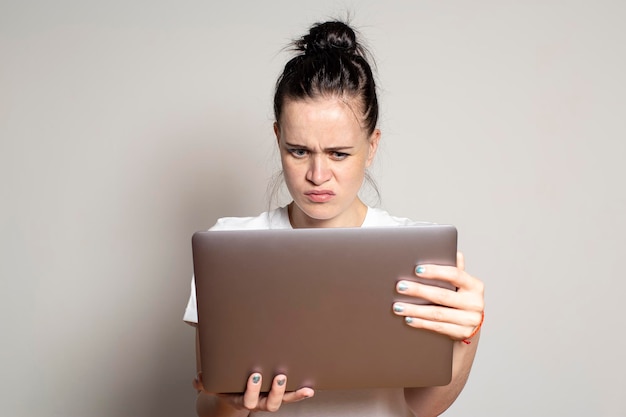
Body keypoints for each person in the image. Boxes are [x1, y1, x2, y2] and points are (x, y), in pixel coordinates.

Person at [184, 20, 485, 417]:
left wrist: (469, 334)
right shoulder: (228, 248)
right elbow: (208, 407)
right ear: (277, 139)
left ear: (372, 145)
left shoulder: (416, 253)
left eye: (339, 153)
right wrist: (233, 405)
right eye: (297, 151)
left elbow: (420, 408)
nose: (317, 175)